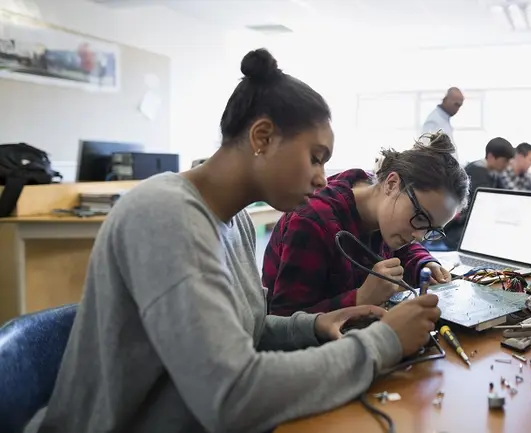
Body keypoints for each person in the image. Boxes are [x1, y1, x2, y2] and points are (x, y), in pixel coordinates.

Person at [24, 49, 441, 433]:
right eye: (315, 157)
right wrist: (383, 342)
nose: (320, 177)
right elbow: (231, 395)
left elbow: (245, 329)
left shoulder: (235, 219)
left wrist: (311, 326)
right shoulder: (163, 215)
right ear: (262, 137)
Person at [263, 132, 469, 316]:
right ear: (392, 184)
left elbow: (406, 248)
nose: (420, 236)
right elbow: (282, 321)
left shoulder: (383, 207)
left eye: (431, 230)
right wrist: (360, 298)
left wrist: (425, 263)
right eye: (421, 218)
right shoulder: (312, 222)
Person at [442, 137, 515, 249]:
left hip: (473, 224)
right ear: (491, 157)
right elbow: (487, 204)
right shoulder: (476, 172)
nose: (507, 166)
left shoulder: (493, 172)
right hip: (459, 228)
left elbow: (505, 196)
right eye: (504, 161)